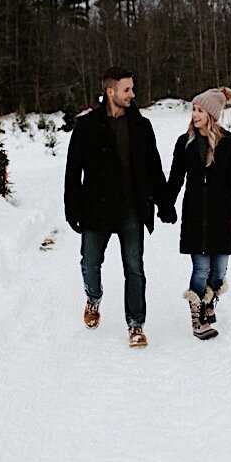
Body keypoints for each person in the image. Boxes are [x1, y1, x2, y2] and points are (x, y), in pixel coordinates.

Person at [64, 67, 168, 348]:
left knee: (134, 268)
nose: (132, 94)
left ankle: (136, 324)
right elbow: (73, 171)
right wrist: (72, 209)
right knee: (89, 263)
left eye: (132, 89)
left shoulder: (141, 126)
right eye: (127, 90)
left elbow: (153, 168)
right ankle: (93, 298)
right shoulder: (86, 127)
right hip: (95, 211)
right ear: (110, 91)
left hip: (131, 210)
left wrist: (164, 203)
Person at [159, 87, 231, 340]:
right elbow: (175, 178)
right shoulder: (185, 143)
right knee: (200, 268)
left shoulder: (228, 143)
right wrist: (167, 204)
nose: (195, 115)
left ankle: (210, 303)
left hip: (222, 215)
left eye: (200, 110)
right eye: (193, 110)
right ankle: (197, 315)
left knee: (219, 271)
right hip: (195, 214)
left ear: (211, 114)